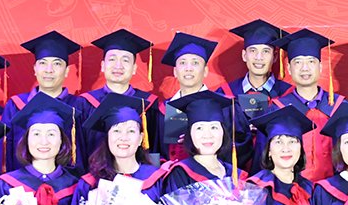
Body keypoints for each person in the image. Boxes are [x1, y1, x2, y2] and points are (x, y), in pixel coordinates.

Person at [6, 31, 89, 172]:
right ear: (35, 69)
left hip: (70, 183)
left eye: (56, 64)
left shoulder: (80, 105)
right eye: (43, 63)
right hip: (22, 183)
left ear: (67, 71)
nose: (49, 70)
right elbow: (7, 152)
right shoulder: (16, 105)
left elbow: (88, 150)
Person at [83, 29, 160, 154]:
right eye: (112, 59)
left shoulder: (148, 104)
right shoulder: (85, 103)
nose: (118, 66)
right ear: (102, 66)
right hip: (93, 166)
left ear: (134, 68)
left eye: (125, 60)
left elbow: (154, 148)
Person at [275, 28, 338, 180]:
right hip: (292, 188)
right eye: (298, 62)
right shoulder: (278, 108)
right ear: (289, 68)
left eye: (311, 61)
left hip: (334, 189)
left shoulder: (339, 106)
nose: (305, 68)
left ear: (320, 67)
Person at [156, 31, 224, 161]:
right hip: (172, 172)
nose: (188, 68)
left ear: (205, 71)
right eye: (182, 63)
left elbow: (233, 148)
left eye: (195, 63)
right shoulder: (163, 109)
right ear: (175, 71)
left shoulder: (222, 106)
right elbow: (157, 150)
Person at [227, 19, 286, 165]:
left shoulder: (287, 94)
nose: (259, 57)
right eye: (253, 51)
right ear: (244, 55)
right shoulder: (226, 93)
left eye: (266, 51)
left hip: (275, 171)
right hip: (233, 170)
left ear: (275, 57)